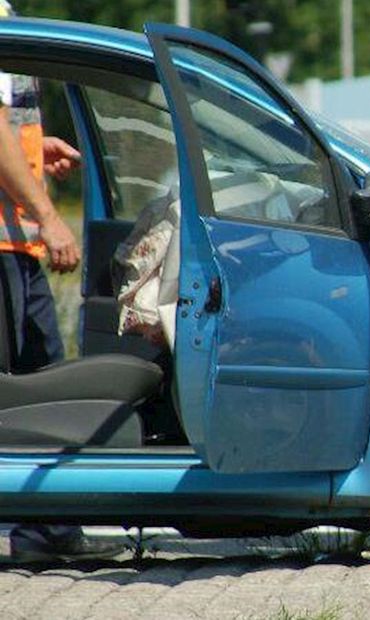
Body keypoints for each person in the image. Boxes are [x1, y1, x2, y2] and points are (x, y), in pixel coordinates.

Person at [0, 0, 121, 562]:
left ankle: (44, 532)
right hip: (8, 242)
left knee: (39, 383)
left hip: (13, 241)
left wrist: (32, 150)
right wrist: (50, 216)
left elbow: (7, 125)